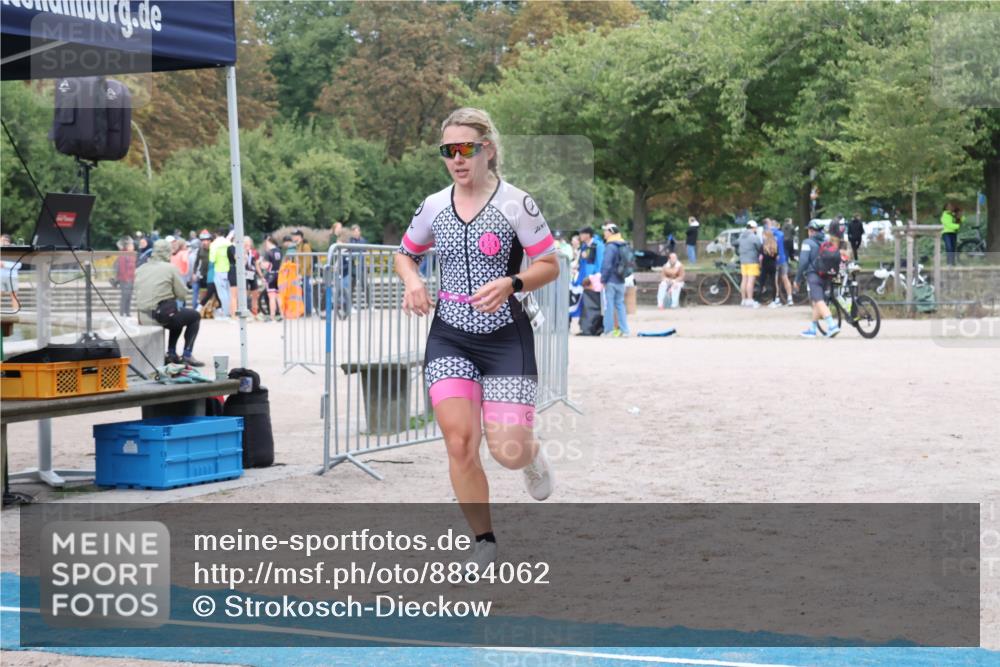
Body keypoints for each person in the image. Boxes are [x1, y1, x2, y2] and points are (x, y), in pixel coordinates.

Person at [393, 107, 560, 572]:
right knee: (460, 443)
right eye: (448, 151)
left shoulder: (517, 204)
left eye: (466, 148)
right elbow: (405, 255)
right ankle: (483, 541)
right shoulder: (433, 206)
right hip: (451, 337)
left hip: (507, 336)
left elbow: (550, 264)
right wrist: (412, 280)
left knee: (506, 449)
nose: (457, 159)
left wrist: (513, 283)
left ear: (487, 149)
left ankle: (529, 454)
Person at [134, 240, 205, 366]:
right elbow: (182, 294)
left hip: (143, 316)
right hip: (160, 316)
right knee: (194, 316)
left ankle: (171, 353)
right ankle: (187, 354)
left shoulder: (140, 269)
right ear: (167, 252)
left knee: (175, 312)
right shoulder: (170, 268)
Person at [794, 219, 840, 338]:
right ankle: (812, 329)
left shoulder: (807, 243)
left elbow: (803, 262)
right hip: (827, 275)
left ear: (811, 230)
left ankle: (832, 325)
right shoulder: (828, 241)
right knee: (816, 303)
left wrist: (797, 279)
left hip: (814, 275)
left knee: (819, 300)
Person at [600, 222, 631, 336]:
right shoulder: (623, 244)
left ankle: (609, 330)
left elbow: (606, 264)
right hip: (621, 279)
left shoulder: (610, 246)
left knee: (609, 305)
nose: (604, 233)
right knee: (620, 305)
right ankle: (625, 330)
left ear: (611, 232)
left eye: (606, 231)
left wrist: (603, 279)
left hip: (611, 280)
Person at [769, 219, 794, 307]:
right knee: (785, 278)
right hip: (783, 258)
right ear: (778, 226)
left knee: (775, 279)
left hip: (773, 260)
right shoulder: (781, 234)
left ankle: (777, 299)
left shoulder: (769, 235)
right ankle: (790, 298)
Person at [737, 219, 762, 308]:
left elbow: (736, 244)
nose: (756, 230)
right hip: (752, 261)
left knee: (744, 280)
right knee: (750, 281)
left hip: (743, 261)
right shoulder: (753, 237)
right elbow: (759, 247)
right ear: (753, 228)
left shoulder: (741, 236)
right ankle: (750, 300)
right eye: (755, 228)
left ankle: (743, 299)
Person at [209, 229, 232, 320]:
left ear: (216, 234)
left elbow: (212, 259)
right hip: (229, 270)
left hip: (219, 270)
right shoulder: (228, 243)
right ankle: (231, 311)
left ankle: (226, 313)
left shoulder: (214, 244)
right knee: (230, 293)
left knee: (222, 294)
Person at [292, 230, 314, 316]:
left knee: (306, 292)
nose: (293, 237)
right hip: (299, 273)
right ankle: (303, 310)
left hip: (304, 274)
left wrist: (302, 273)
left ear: (299, 236)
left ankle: (308, 311)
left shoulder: (305, 246)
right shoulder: (298, 246)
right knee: (301, 292)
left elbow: (307, 261)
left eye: (294, 235)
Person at [112, 237, 136, 316]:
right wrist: (125, 278)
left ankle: (127, 312)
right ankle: (122, 312)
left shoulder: (132, 255)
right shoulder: (123, 255)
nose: (133, 247)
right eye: (131, 245)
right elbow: (121, 268)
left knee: (129, 296)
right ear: (127, 247)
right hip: (125, 279)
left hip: (131, 279)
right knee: (124, 296)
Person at [261, 236, 283, 321]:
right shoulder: (279, 251)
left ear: (269, 242)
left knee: (272, 297)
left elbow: (266, 266)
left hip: (270, 275)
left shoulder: (269, 252)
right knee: (278, 296)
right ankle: (282, 314)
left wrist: (261, 264)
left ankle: (272, 317)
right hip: (278, 274)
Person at [190, 230, 211, 309]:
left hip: (211, 274)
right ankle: (202, 309)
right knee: (203, 292)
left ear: (209, 241)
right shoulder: (200, 250)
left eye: (206, 240)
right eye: (202, 240)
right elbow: (196, 262)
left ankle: (210, 309)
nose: (204, 242)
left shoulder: (213, 248)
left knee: (211, 292)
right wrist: (194, 273)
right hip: (203, 274)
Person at [1, 233, 22, 311]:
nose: (4, 242)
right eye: (2, 240)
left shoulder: (14, 251)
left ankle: (16, 312)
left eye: (6, 240)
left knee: (14, 296)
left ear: (9, 242)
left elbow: (19, 265)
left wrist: (4, 264)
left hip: (12, 277)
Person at [760, 227, 778, 306]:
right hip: (773, 266)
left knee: (762, 282)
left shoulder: (763, 246)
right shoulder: (774, 245)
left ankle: (758, 300)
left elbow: (761, 257)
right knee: (773, 283)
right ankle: (774, 300)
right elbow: (777, 257)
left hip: (764, 266)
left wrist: (760, 264)